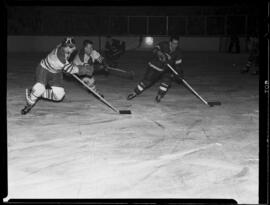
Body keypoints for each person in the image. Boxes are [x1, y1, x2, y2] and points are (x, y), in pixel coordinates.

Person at [21, 37, 93, 115]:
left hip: (56, 73)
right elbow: (71, 69)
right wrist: (85, 70)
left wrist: (68, 67)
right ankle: (30, 103)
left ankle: (35, 92)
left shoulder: (64, 48)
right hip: (44, 69)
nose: (73, 48)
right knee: (40, 87)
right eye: (70, 47)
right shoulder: (60, 56)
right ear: (64, 46)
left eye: (73, 46)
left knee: (59, 96)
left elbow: (67, 65)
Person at [127, 36, 183, 103]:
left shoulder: (178, 52)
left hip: (167, 69)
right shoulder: (163, 44)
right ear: (170, 42)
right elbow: (155, 49)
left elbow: (178, 65)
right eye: (173, 43)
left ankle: (159, 95)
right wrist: (159, 53)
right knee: (146, 82)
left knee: (167, 81)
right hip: (155, 66)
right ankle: (135, 93)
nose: (175, 45)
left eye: (176, 44)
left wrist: (179, 74)